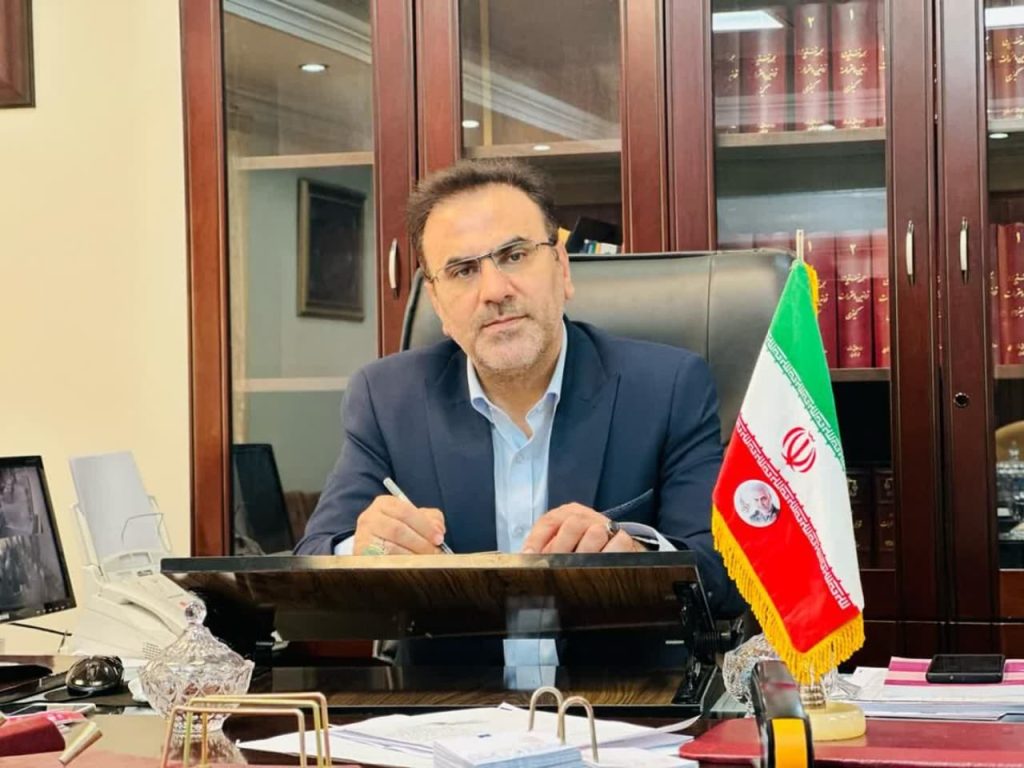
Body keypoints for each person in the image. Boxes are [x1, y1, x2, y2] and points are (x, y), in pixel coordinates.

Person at [295, 159, 744, 662]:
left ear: (562, 269)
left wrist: (636, 554)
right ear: (438, 304)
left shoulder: (667, 388)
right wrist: (363, 549)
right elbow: (312, 559)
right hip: (451, 705)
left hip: (620, 702)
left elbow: (726, 575)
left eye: (514, 256)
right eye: (463, 270)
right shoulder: (387, 398)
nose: (494, 291)